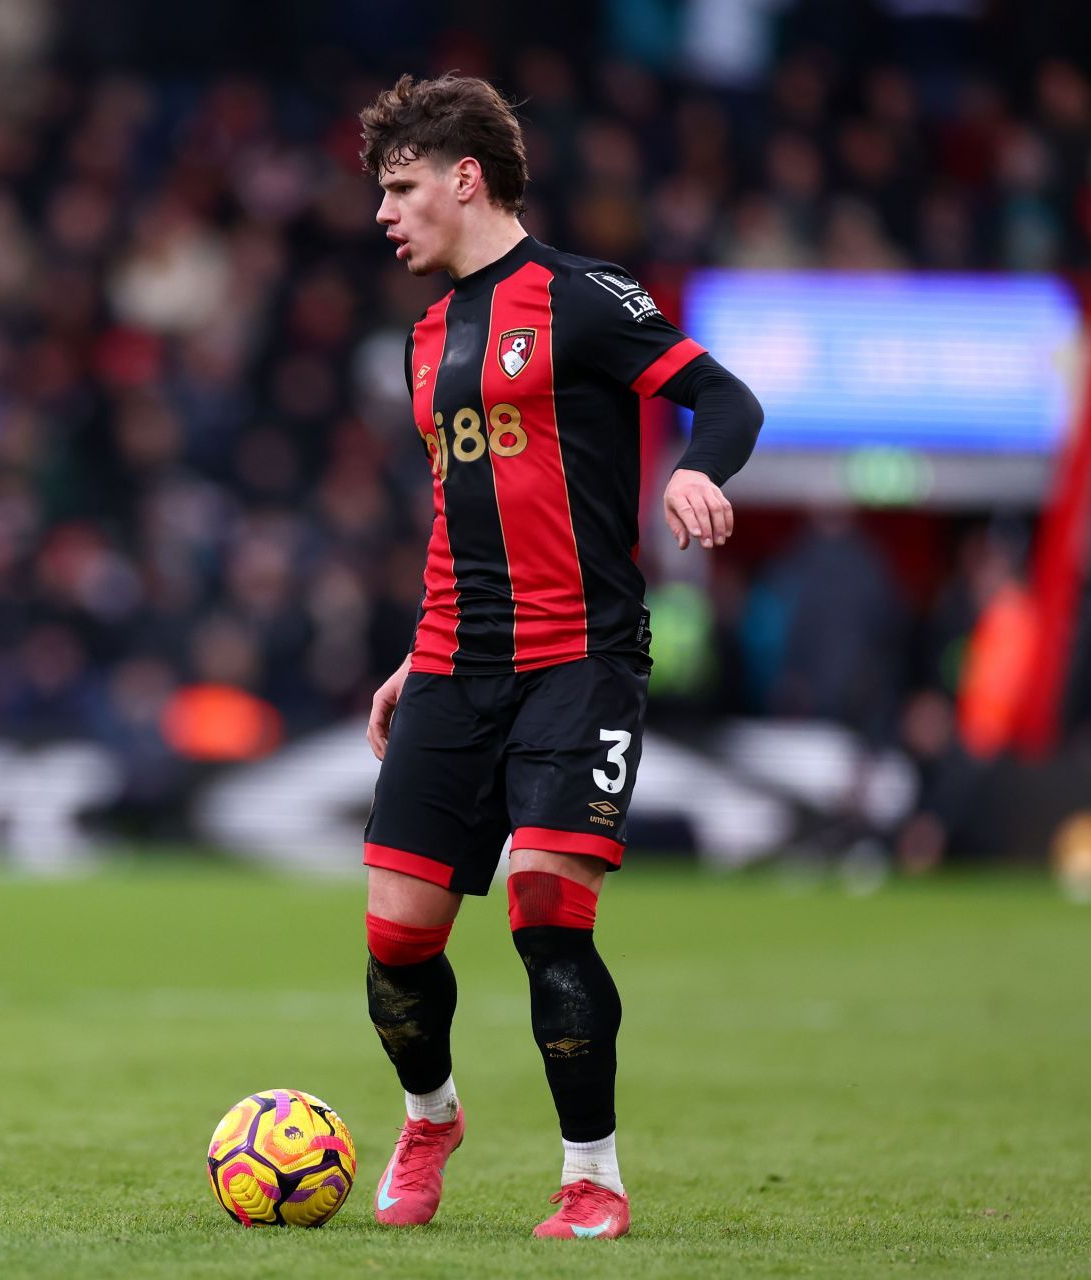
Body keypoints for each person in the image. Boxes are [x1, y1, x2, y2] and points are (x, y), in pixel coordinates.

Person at [355, 73, 763, 1241]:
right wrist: (410, 654)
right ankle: (429, 1115)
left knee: (545, 909)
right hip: (450, 660)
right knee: (395, 940)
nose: (385, 213)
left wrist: (698, 469)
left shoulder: (581, 297)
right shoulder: (423, 337)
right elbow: (462, 509)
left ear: (465, 177)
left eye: (401, 186)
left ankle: (593, 1176)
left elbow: (725, 400)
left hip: (578, 660)